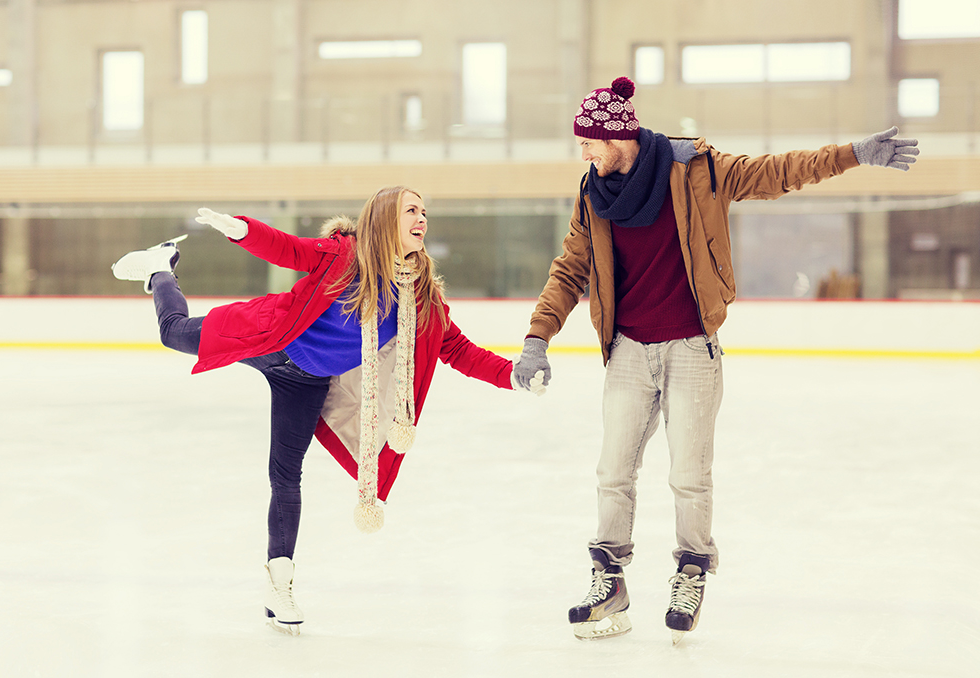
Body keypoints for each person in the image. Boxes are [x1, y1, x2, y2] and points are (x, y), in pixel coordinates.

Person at [511, 77, 919, 644]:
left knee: (688, 474)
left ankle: (691, 570)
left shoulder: (694, 167)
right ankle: (609, 578)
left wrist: (853, 154)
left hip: (691, 348)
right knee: (612, 471)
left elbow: (778, 172)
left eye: (588, 142)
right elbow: (570, 268)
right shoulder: (592, 194)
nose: (582, 153)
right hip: (629, 349)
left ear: (618, 136)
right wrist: (538, 337)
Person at [111, 186, 545, 636]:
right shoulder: (343, 255)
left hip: (304, 381)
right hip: (271, 338)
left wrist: (511, 374)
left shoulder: (420, 298)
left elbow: (458, 349)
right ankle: (160, 268)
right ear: (383, 220)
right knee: (174, 333)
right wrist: (243, 229)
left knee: (285, 474)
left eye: (424, 212)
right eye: (411, 210)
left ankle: (279, 583)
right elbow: (289, 250)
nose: (423, 219)